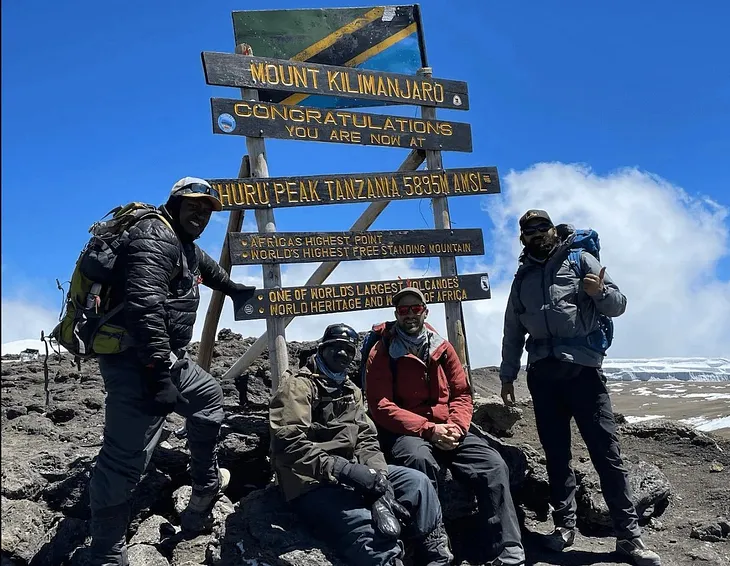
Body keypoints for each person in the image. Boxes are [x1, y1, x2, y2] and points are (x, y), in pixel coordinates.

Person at [87, 177, 256, 566]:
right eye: (193, 205)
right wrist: (160, 379)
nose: (200, 214)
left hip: (165, 358)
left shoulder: (181, 241)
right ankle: (106, 554)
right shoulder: (155, 237)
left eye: (207, 210)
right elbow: (144, 309)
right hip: (137, 363)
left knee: (209, 397)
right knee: (124, 460)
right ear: (175, 203)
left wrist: (231, 288)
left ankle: (204, 485)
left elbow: (204, 267)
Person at [499, 209, 661, 566]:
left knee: (607, 455)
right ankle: (564, 528)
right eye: (530, 230)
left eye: (543, 227)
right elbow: (513, 328)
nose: (537, 234)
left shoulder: (579, 259)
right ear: (522, 237)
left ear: (553, 230)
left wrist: (599, 291)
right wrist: (507, 374)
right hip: (542, 376)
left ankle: (629, 537)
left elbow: (619, 305)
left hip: (584, 374)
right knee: (556, 456)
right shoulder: (522, 276)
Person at [270, 323, 453, 566]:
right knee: (367, 528)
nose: (343, 354)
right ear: (322, 349)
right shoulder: (298, 386)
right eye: (336, 347)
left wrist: (379, 477)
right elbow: (288, 443)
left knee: (417, 483)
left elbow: (366, 438)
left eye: (349, 349)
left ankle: (436, 556)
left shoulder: (351, 390)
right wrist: (343, 470)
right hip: (312, 483)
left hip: (357, 474)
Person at [366, 288, 525, 566]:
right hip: (409, 432)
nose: (410, 314)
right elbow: (380, 405)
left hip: (450, 426)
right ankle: (436, 548)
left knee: (493, 465)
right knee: (419, 462)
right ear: (396, 314)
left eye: (416, 308)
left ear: (425, 311)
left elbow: (462, 394)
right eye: (404, 310)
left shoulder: (442, 346)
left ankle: (508, 550)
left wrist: (457, 427)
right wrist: (428, 429)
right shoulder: (382, 351)